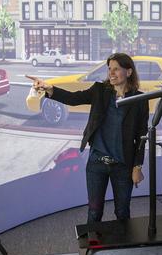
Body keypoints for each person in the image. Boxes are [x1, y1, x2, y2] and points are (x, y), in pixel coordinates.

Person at [27, 53, 149, 224]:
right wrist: (49, 88)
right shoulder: (100, 90)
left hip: (122, 165)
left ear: (128, 72)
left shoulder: (139, 99)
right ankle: (93, 249)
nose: (111, 73)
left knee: (122, 212)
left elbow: (142, 135)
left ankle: (123, 248)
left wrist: (137, 166)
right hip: (96, 163)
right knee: (94, 212)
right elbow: (73, 98)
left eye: (116, 69)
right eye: (109, 69)